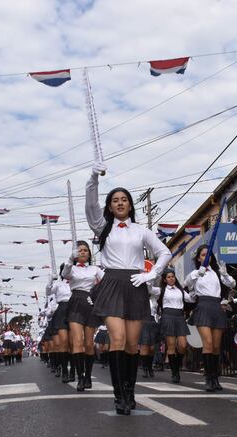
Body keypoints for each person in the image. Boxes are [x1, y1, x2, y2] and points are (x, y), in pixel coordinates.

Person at [86, 164, 170, 415]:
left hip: (135, 285)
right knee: (118, 339)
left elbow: (164, 252)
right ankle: (118, 396)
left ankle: (130, 390)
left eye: (124, 200)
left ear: (130, 205)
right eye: (115, 201)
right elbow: (91, 206)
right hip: (111, 284)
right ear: (110, 206)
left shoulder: (142, 231)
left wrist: (151, 273)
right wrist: (93, 178)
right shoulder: (103, 227)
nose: (120, 203)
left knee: (132, 345)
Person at [185, 244, 236, 392]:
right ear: (198, 257)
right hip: (203, 307)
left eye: (208, 254)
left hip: (217, 307)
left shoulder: (217, 273)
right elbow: (186, 283)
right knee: (207, 342)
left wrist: (225, 274)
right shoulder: (195, 273)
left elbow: (232, 284)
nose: (206, 257)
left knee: (215, 346)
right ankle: (208, 378)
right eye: (203, 255)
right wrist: (197, 274)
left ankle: (215, 378)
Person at [61, 241, 104, 391]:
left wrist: (96, 296)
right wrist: (69, 259)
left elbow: (106, 282)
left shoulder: (95, 269)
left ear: (89, 253)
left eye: (86, 250)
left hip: (90, 302)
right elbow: (64, 274)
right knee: (77, 342)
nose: (83, 252)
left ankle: (88, 376)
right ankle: (80, 377)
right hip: (75, 303)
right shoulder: (71, 268)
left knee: (88, 344)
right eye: (80, 250)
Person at [157, 269, 192, 384]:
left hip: (180, 316)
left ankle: (177, 365)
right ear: (164, 279)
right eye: (168, 277)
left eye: (173, 276)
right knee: (171, 346)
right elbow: (149, 289)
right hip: (168, 316)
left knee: (183, 345)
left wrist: (194, 285)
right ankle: (175, 373)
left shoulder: (180, 290)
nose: (171, 278)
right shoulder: (161, 290)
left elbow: (191, 299)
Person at [47, 266, 73, 383]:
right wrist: (50, 279)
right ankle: (64, 371)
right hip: (61, 311)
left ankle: (73, 370)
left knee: (73, 344)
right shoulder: (58, 284)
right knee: (63, 343)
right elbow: (48, 291)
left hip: (75, 310)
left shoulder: (77, 282)